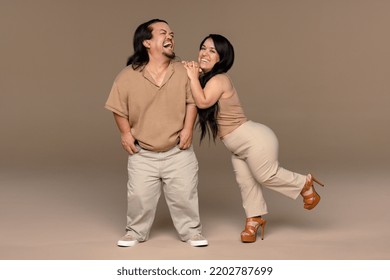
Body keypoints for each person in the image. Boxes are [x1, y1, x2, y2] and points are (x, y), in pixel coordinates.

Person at [183, 34, 324, 243]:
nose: (205, 53)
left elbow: (202, 102)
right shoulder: (205, 80)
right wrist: (191, 75)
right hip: (239, 146)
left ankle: (304, 183)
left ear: (221, 58)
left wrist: (191, 75)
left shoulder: (219, 80)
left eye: (212, 51)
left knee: (265, 176)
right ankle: (254, 220)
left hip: (254, 139)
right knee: (246, 183)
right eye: (203, 48)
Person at [105, 19, 208, 247]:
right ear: (147, 42)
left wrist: (188, 128)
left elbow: (192, 101)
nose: (170, 36)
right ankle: (134, 232)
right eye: (163, 33)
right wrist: (125, 134)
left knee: (184, 196)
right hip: (143, 153)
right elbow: (117, 108)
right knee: (139, 198)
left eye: (172, 33)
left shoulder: (183, 71)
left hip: (178, 151)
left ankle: (192, 232)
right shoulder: (127, 76)